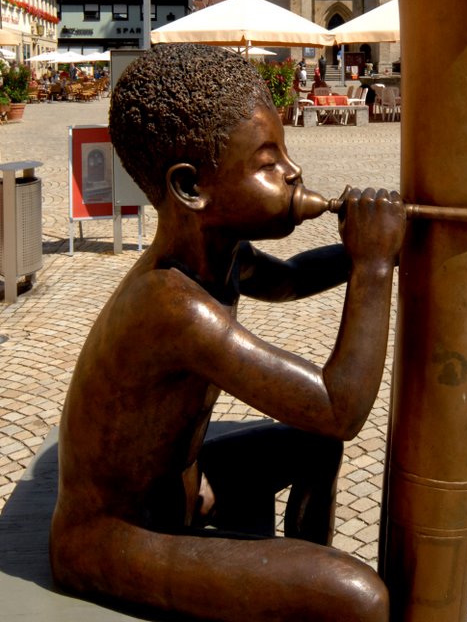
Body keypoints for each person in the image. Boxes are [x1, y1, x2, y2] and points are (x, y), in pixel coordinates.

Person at [50, 44, 404, 622]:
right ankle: (309, 594)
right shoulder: (173, 306)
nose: (292, 173)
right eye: (268, 162)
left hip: (181, 490)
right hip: (111, 539)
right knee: (361, 599)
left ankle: (295, 584)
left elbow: (289, 280)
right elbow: (339, 407)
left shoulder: (222, 255)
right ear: (192, 188)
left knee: (314, 448)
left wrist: (361, 246)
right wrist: (373, 266)